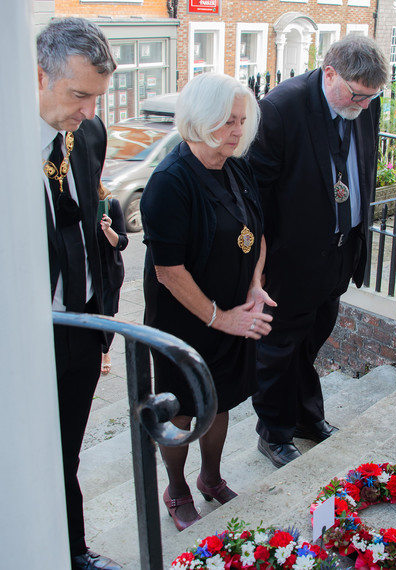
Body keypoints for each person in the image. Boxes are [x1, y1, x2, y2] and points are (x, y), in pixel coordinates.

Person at [140, 73, 276, 531]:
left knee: (220, 400)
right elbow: (168, 271)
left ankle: (211, 477)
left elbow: (255, 234)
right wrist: (221, 319)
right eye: (227, 121)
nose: (239, 131)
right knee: (183, 406)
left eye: (242, 120)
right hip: (188, 319)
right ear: (200, 120)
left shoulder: (237, 165)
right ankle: (177, 487)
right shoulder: (170, 182)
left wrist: (255, 285)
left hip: (235, 313)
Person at [248, 35, 389, 468]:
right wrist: (260, 268)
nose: (364, 106)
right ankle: (273, 433)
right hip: (291, 260)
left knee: (311, 341)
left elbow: (361, 166)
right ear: (329, 73)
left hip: (340, 252)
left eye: (372, 97)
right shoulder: (280, 107)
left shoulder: (364, 103)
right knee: (278, 350)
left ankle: (307, 418)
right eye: (357, 95)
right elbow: (258, 194)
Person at [38, 17, 122, 570]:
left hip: (82, 327)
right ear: (38, 76)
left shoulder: (86, 133)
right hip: (30, 334)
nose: (90, 112)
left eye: (98, 97)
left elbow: (88, 207)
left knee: (65, 452)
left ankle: (71, 550)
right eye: (79, 95)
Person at [97, 183, 128, 375]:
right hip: (88, 273)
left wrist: (108, 229)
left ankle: (105, 352)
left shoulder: (110, 203)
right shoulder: (77, 204)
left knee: (107, 316)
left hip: (109, 272)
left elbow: (122, 242)